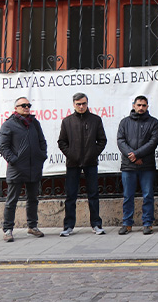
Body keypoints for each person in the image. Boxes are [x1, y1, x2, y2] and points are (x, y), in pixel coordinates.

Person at [58, 92, 108, 237]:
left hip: (90, 162)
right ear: (73, 104)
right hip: (73, 163)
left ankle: (96, 224)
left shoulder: (95, 120)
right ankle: (68, 226)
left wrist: (92, 153)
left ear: (87, 104)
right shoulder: (67, 121)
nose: (81, 106)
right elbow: (62, 142)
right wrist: (71, 154)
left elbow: (102, 140)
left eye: (84, 103)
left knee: (93, 194)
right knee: (71, 195)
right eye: (78, 104)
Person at [0, 96, 48, 242]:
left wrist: (41, 156)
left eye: (28, 105)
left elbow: (42, 141)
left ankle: (32, 226)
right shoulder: (8, 125)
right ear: (16, 108)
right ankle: (8, 229)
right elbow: (3, 147)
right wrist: (14, 160)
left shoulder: (34, 123)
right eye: (23, 105)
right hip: (17, 168)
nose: (27, 107)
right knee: (11, 200)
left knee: (33, 199)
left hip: (34, 167)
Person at [117, 95, 158, 235]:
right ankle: (127, 223)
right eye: (139, 105)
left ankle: (147, 223)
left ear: (147, 107)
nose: (141, 108)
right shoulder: (124, 122)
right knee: (128, 195)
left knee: (148, 195)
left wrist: (138, 154)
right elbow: (120, 141)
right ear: (133, 105)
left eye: (144, 105)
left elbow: (153, 142)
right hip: (128, 166)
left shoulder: (153, 122)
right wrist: (133, 157)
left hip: (146, 166)